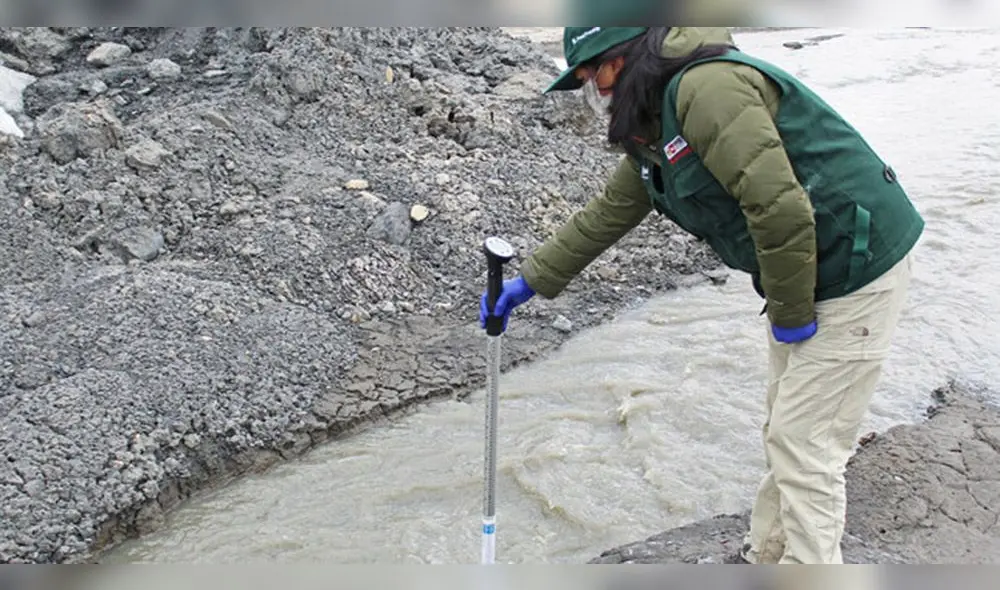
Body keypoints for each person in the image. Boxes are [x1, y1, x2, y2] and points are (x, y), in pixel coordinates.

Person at [477, 26, 924, 565]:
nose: (591, 90)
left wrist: (791, 313)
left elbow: (778, 208)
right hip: (803, 269)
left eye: (592, 73)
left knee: (805, 443)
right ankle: (767, 553)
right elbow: (608, 213)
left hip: (856, 265)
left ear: (623, 57)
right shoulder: (652, 125)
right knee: (784, 428)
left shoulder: (708, 90)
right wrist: (531, 280)